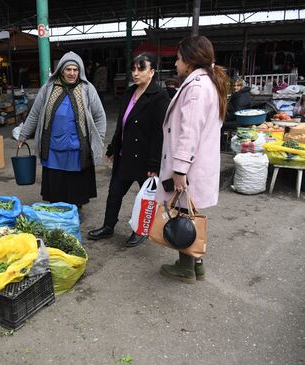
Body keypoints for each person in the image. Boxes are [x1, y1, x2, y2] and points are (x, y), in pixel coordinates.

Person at [156, 35, 230, 283]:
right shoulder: (208, 83)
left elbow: (189, 132)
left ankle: (185, 267)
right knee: (188, 212)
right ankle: (197, 264)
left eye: (177, 59)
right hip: (197, 163)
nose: (175, 64)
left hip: (191, 165)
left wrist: (179, 169)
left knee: (183, 214)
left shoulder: (197, 87)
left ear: (189, 60)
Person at [88, 53, 169, 246]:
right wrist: (113, 148)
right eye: (133, 69)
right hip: (125, 156)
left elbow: (160, 133)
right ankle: (108, 226)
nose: (135, 73)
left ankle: (140, 230)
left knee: (146, 198)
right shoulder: (129, 92)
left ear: (152, 72)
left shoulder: (159, 96)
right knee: (114, 192)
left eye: (141, 69)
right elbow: (122, 125)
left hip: (144, 158)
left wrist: (154, 163)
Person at [18, 51, 106, 208]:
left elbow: (100, 116)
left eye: (75, 70)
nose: (72, 73)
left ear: (80, 71)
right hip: (53, 148)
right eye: (68, 69)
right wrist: (23, 135)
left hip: (77, 148)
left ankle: (74, 210)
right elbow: (35, 113)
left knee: (75, 185)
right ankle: (57, 210)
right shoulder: (49, 88)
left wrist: (98, 140)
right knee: (56, 183)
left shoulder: (87, 88)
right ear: (61, 70)